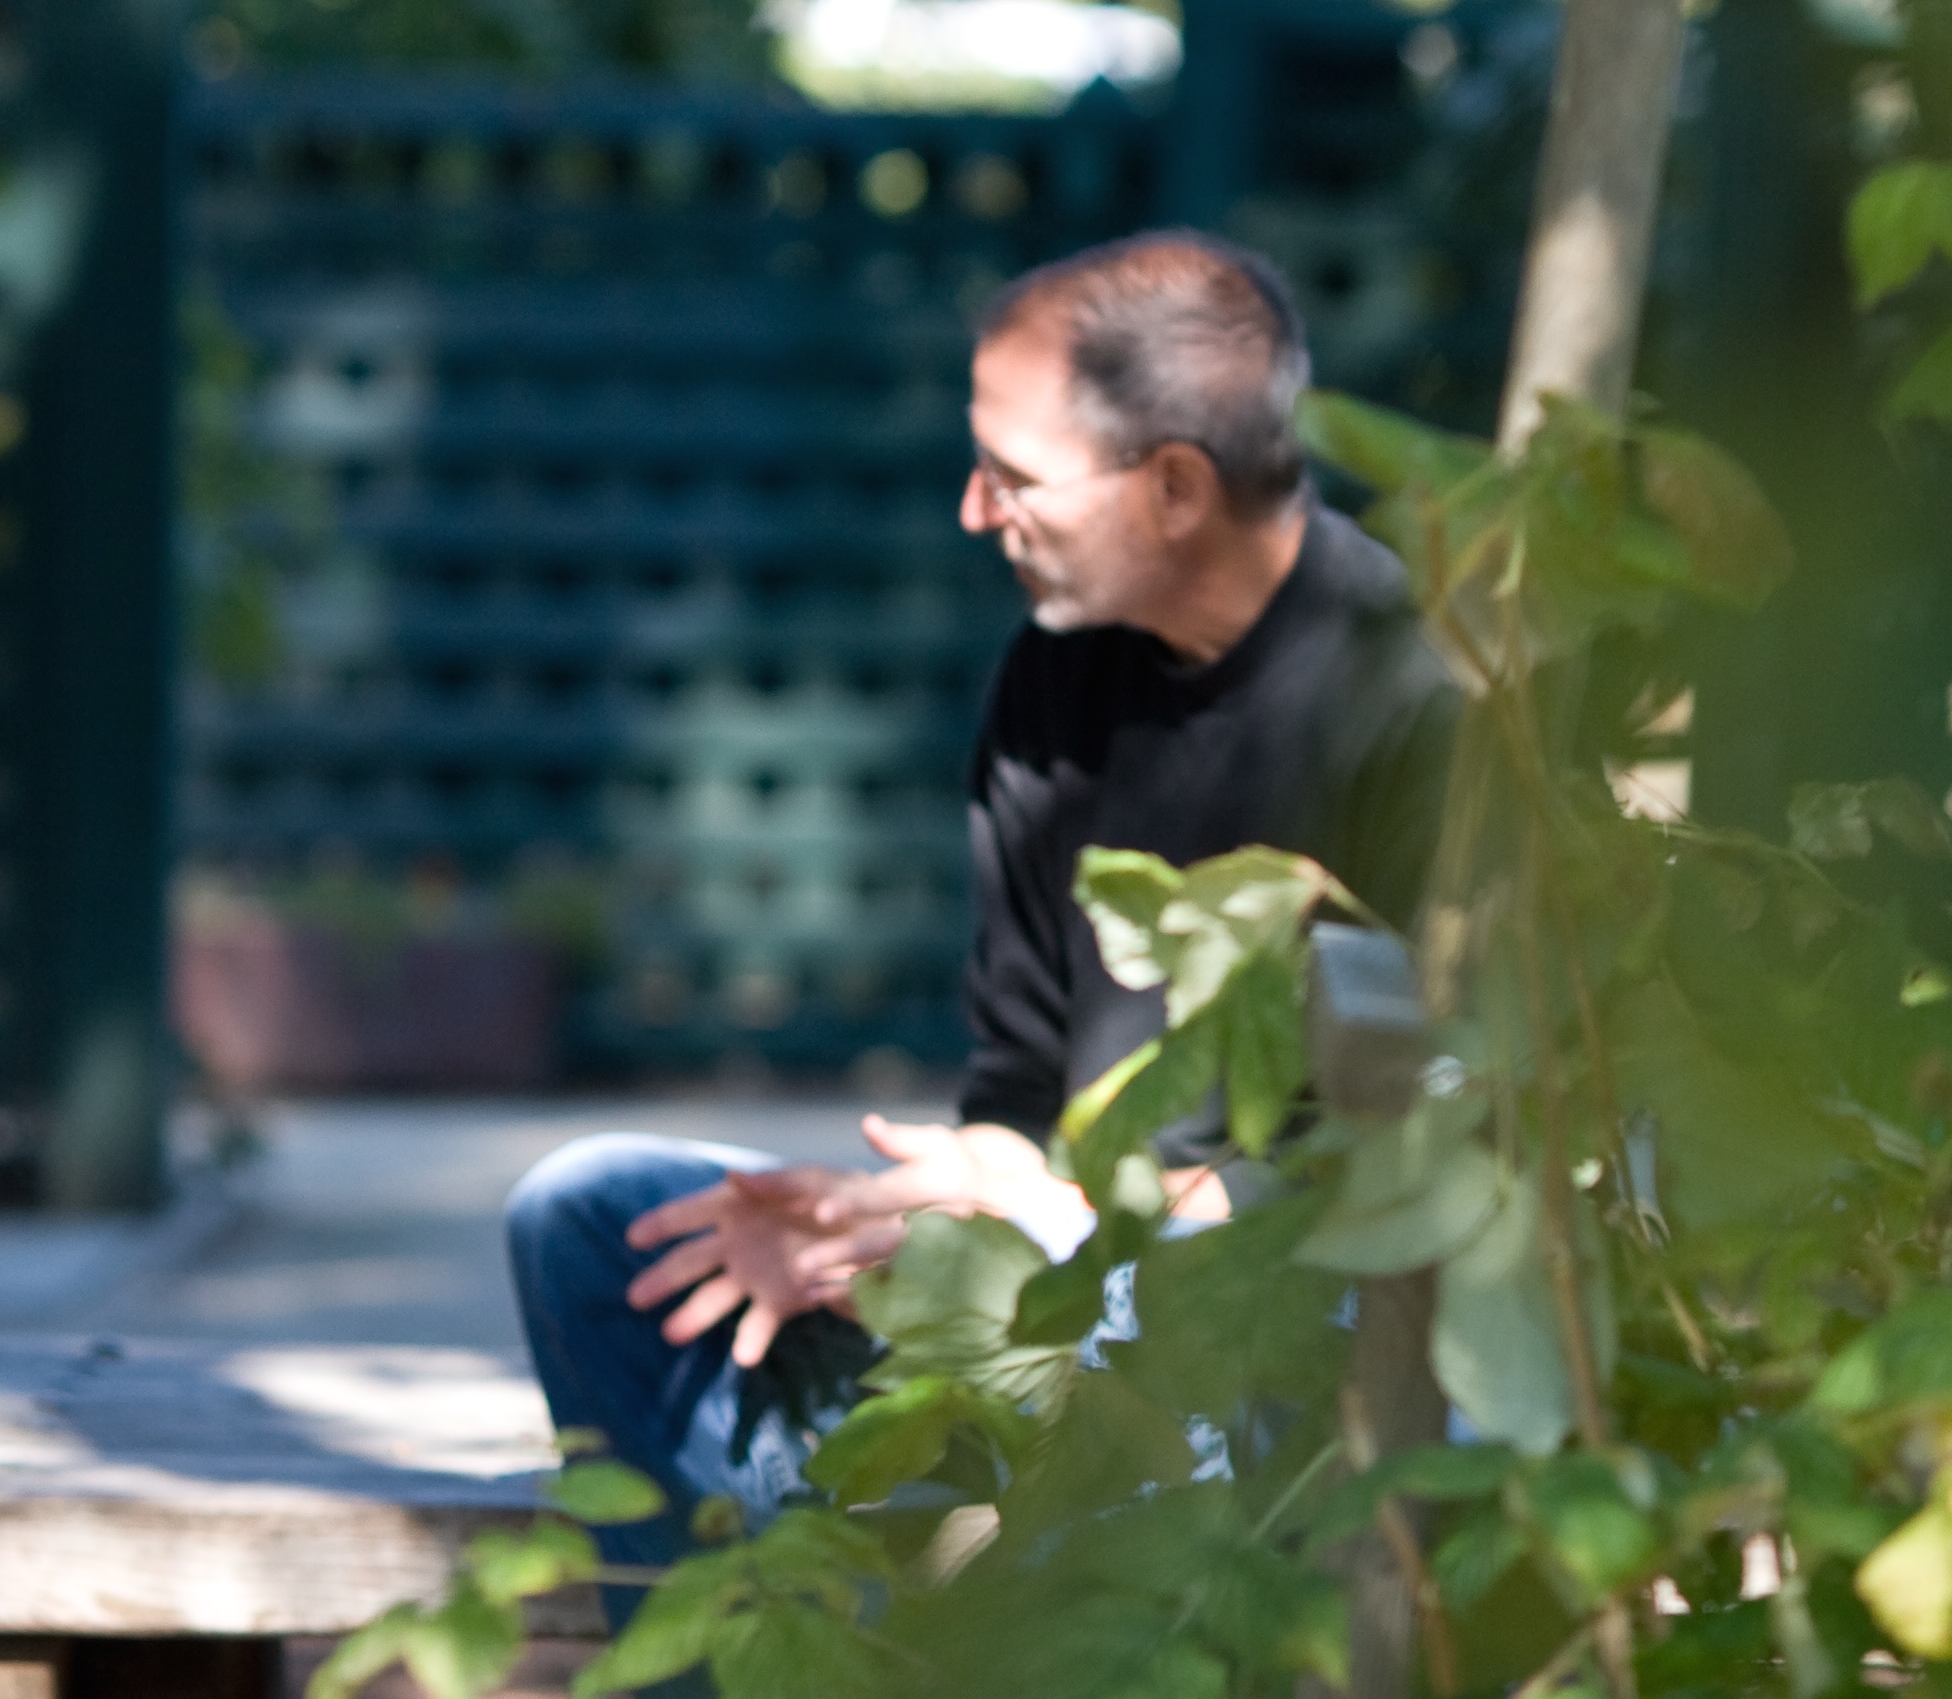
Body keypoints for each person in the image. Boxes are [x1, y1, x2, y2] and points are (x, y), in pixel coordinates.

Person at [507, 231, 1458, 1580]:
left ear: (1175, 487)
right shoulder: (1054, 680)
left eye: (1012, 476)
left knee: (1122, 1332)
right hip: (1047, 1294)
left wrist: (1059, 1219)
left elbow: (1415, 1167)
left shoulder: (1416, 695)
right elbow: (1016, 1093)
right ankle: (826, 1570)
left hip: (1265, 1343)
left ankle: (872, 1548)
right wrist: (888, 1225)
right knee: (592, 1216)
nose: (972, 510)